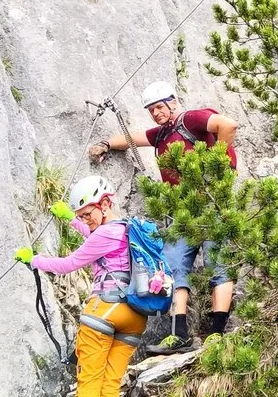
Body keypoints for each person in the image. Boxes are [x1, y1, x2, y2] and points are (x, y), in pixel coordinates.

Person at [87, 81, 239, 354]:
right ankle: (179, 333)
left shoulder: (191, 120)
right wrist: (106, 143)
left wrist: (220, 165)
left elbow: (228, 125)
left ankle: (217, 333)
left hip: (213, 204)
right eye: (151, 109)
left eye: (159, 107)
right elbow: (133, 138)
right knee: (172, 268)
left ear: (172, 102)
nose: (156, 113)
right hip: (181, 212)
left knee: (218, 266)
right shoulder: (161, 135)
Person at [14, 176, 145, 397]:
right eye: (80, 216)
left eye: (87, 214)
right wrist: (70, 219)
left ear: (104, 204)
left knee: (89, 383)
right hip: (135, 316)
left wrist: (34, 260)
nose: (85, 220)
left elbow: (69, 264)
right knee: (110, 386)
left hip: (106, 310)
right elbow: (95, 237)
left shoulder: (104, 233)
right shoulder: (126, 229)